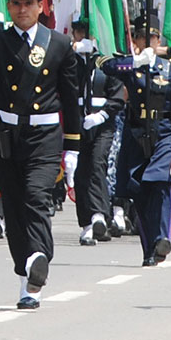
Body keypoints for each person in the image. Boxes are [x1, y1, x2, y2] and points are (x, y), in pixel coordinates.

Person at [0, 0, 84, 309]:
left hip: (44, 137)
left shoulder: (57, 45)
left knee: (35, 197)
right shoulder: (0, 41)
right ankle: (26, 277)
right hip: (8, 137)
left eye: (29, 3)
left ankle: (40, 260)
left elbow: (71, 100)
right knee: (14, 209)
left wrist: (72, 147)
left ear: (41, 5)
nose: (22, 9)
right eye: (16, 3)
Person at [102, 16, 171, 266]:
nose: (146, 42)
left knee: (161, 183)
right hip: (136, 133)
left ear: (158, 39)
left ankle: (162, 237)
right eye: (141, 37)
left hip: (163, 133)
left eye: (151, 37)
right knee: (139, 192)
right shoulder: (130, 66)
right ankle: (150, 247)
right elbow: (104, 65)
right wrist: (133, 62)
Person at [70, 19, 119, 245]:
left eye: (85, 32)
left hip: (102, 124)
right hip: (77, 123)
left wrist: (102, 114)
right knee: (80, 172)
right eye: (78, 32)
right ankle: (87, 222)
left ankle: (100, 214)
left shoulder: (106, 63)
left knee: (97, 163)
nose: (81, 36)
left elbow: (118, 93)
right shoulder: (71, 62)